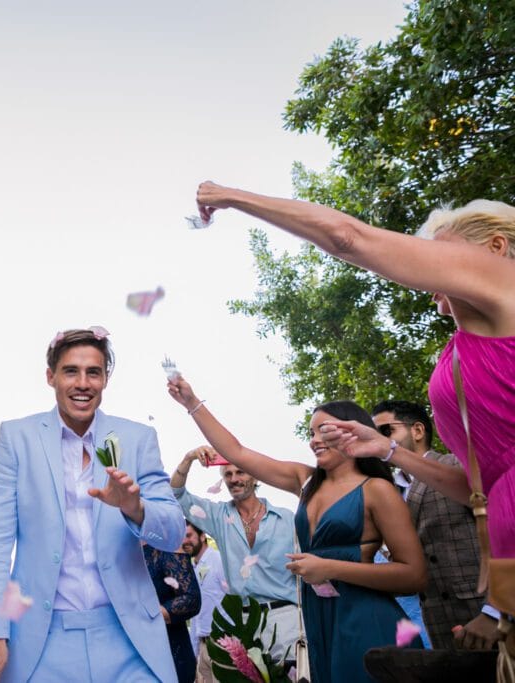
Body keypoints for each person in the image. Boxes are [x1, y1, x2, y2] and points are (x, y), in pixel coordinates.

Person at [194, 185, 515, 560]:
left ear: (496, 249)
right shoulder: (459, 351)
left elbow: (347, 238)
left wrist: (233, 197)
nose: (433, 265)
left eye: (446, 251)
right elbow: (475, 488)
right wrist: (389, 449)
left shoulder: (506, 285)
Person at [169, 376, 428, 683]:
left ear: (354, 431)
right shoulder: (304, 481)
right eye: (311, 432)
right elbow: (237, 452)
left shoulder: (377, 490)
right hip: (316, 623)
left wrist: (330, 567)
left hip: (364, 621)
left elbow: (415, 575)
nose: (314, 439)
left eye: (324, 430)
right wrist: (191, 403)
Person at [0, 328, 184, 683]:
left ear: (105, 378)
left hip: (130, 638)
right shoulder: (16, 437)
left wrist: (135, 508)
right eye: (71, 371)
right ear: (51, 377)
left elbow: (173, 532)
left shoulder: (138, 438)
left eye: (94, 372)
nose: (83, 383)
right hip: (41, 641)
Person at [371, 400, 490, 649]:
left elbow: (500, 533)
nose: (377, 440)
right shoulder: (386, 491)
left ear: (417, 430)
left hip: (486, 613)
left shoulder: (457, 466)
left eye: (386, 431)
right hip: (437, 622)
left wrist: (495, 610)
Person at [171, 448, 299, 669]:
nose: (234, 479)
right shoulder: (218, 517)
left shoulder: (287, 519)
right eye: (227, 474)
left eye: (240, 472)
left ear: (255, 475)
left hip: (287, 619)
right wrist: (189, 458)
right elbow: (176, 493)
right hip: (245, 625)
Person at [143, 542, 200, 683]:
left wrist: (144, 616)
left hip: (169, 650)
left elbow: (191, 598)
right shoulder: (111, 549)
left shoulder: (165, 543)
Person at [181, 523, 227, 682]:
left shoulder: (219, 561)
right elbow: (196, 615)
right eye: (182, 537)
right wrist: (195, 654)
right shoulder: (192, 568)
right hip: (202, 646)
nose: (184, 541)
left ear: (202, 536)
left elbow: (235, 599)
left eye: (188, 535)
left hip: (222, 643)